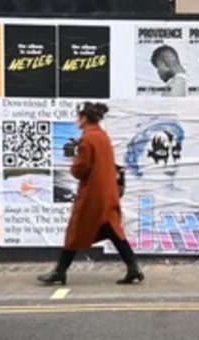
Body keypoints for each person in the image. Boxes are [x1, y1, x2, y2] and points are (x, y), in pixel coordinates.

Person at [38, 102, 144, 286]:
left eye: (79, 117)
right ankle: (133, 267)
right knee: (114, 231)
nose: (77, 121)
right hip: (107, 193)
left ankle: (59, 272)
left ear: (85, 118)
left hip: (92, 196)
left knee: (75, 231)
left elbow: (80, 170)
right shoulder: (102, 136)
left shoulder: (87, 139)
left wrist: (74, 163)